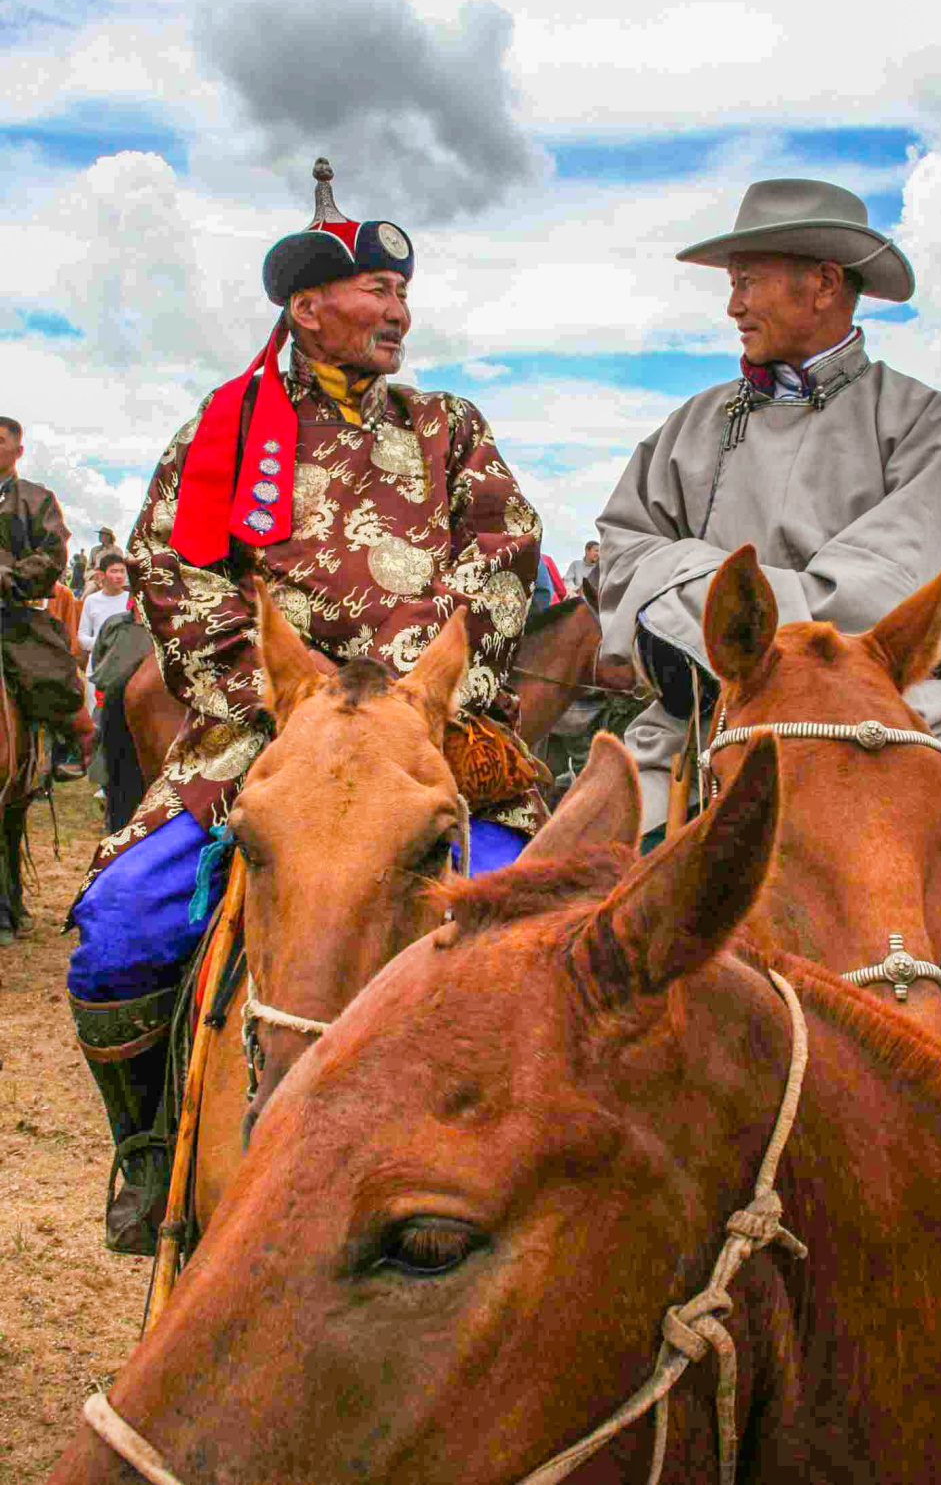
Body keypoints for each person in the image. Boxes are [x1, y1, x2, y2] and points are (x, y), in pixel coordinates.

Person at [66, 159, 543, 1253]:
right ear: (307, 306)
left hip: (428, 737)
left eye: (402, 294)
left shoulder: (450, 425)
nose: (398, 312)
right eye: (376, 290)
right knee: (116, 934)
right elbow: (173, 569)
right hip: (264, 736)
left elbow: (506, 557)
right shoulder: (225, 426)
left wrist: (423, 701)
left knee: (536, 928)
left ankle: (520, 1167)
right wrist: (281, 700)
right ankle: (149, 1154)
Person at [598, 177, 941, 1096]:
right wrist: (712, 609)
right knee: (578, 901)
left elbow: (907, 572)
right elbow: (622, 550)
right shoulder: (690, 425)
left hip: (891, 712)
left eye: (749, 278)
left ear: (822, 284)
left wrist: (721, 591)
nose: (731, 302)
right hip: (712, 711)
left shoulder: (915, 418)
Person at [0, 417, 89, 935]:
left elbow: (53, 555)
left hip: (13, 616)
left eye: (0, 440)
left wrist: (9, 576)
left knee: (52, 675)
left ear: (18, 449)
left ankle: (56, 754)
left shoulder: (37, 499)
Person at [77, 554, 131, 714]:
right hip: (97, 667)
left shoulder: (132, 600)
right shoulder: (91, 601)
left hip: (126, 667)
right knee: (97, 716)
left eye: (122, 571)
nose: (119, 576)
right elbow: (82, 638)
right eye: (114, 571)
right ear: (101, 574)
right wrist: (104, 642)